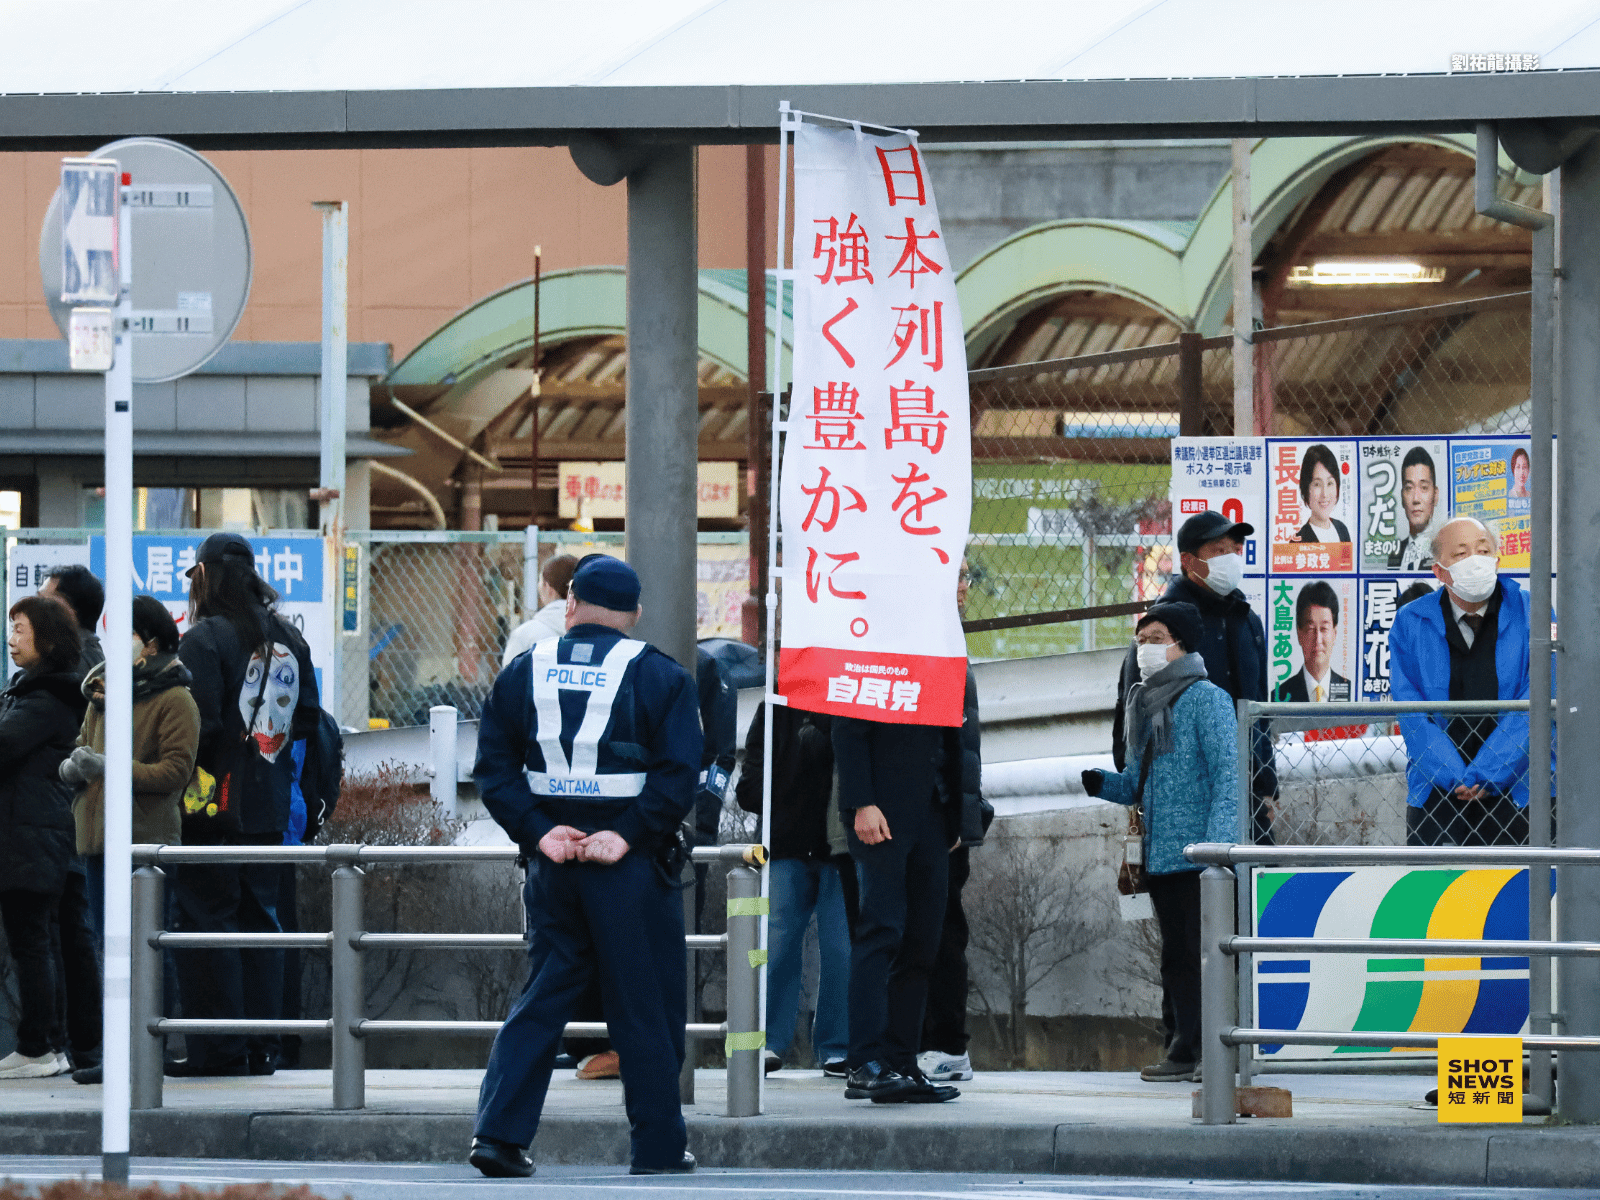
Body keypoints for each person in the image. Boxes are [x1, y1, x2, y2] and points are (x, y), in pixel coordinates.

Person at [470, 555, 702, 1178]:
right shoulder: (661, 676)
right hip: (631, 869)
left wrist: (541, 831)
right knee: (644, 1004)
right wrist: (626, 835)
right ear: (635, 614)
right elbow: (680, 776)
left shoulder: (522, 672)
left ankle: (497, 1135)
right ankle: (656, 1147)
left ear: (570, 605)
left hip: (554, 867)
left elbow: (492, 770)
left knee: (544, 997)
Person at [169, 533, 319, 1077]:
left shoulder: (204, 638)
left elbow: (197, 728)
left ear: (205, 576)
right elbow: (306, 720)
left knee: (208, 921)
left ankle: (218, 1049)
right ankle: (262, 1048)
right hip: (269, 804)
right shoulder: (289, 637)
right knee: (261, 921)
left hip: (211, 805)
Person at [1083, 601, 1237, 1083]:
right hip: (1163, 856)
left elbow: (1227, 777)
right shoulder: (1144, 703)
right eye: (1141, 639)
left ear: (1182, 644)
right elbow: (1136, 783)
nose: (1145, 648)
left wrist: (1218, 850)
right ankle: (1184, 1046)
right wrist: (1100, 783)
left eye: (1156, 638)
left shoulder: (1207, 699)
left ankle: (1216, 1051)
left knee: (1207, 956)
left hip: (1202, 858)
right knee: (1178, 958)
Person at [59, 596, 198, 1084]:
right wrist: (74, 767)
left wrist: (110, 767)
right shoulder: (103, 689)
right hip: (97, 839)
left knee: (146, 946)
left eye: (126, 633)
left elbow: (177, 771)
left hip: (145, 843)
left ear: (150, 642)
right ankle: (117, 1053)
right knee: (106, 946)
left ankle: (150, 1051)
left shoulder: (176, 697)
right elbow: (82, 745)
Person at [834, 681, 972, 1104]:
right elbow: (847, 724)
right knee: (882, 931)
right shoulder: (876, 637)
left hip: (933, 807)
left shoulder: (941, 645)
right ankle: (864, 1062)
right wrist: (860, 800)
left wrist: (960, 813)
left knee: (923, 939)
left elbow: (962, 736)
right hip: (882, 806)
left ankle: (901, 1061)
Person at [1115, 510, 1275, 839]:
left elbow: (1260, 710)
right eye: (1218, 550)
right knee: (1194, 889)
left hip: (1247, 801)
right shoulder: (1161, 629)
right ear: (1188, 561)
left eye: (1236, 549)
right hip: (1182, 809)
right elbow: (1131, 720)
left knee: (1258, 888)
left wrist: (1267, 785)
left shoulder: (1247, 621)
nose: (1231, 558)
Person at [1390, 517, 1546, 847]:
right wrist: (1453, 775)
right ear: (1439, 572)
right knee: (1434, 893)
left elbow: (1539, 700)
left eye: (1483, 550)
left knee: (1517, 894)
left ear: (1497, 560)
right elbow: (1411, 710)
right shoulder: (1411, 622)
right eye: (1461, 553)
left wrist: (1488, 773)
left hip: (1517, 790)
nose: (1475, 560)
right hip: (1437, 793)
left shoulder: (1534, 613)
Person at [0, 596, 91, 1079]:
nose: (11, 639)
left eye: (20, 629)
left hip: (31, 837)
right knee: (38, 939)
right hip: (33, 835)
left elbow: (4, 745)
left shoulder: (47, 699)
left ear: (48, 640)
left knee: (32, 940)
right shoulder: (33, 693)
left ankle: (37, 1046)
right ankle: (48, 1045)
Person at [736, 696, 847, 1076]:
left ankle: (837, 1046)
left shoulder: (848, 694)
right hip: (786, 842)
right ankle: (766, 1042)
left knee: (841, 947)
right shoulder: (773, 705)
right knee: (776, 943)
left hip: (839, 843)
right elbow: (749, 787)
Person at [918, 561, 991, 1086]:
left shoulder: (946, 641)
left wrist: (957, 819)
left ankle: (946, 1044)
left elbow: (960, 750)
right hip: (936, 812)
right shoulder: (934, 637)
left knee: (942, 932)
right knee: (923, 931)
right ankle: (927, 1040)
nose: (964, 586)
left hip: (943, 820)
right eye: (956, 574)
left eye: (967, 575)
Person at [1271, 582, 1350, 703]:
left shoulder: (1351, 692)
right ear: (1299, 633)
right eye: (1311, 629)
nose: (1318, 639)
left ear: (1335, 633)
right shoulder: (1279, 696)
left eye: (1324, 629)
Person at [502, 554, 581, 669]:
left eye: (540, 581)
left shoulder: (525, 635)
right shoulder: (602, 632)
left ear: (548, 588)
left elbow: (508, 683)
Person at [39, 565, 105, 674]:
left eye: (43, 601)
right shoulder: (88, 655)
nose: (33, 608)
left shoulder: (69, 664)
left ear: (71, 610)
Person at [1387, 446, 1440, 570]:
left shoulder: (1444, 550)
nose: (1416, 499)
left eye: (1424, 488)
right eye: (1409, 488)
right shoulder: (1395, 554)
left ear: (1435, 495)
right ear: (1402, 497)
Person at [1293, 444, 1351, 544]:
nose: (1325, 494)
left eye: (1330, 483)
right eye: (1317, 484)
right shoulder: (1298, 541)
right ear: (1306, 488)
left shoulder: (1342, 529)